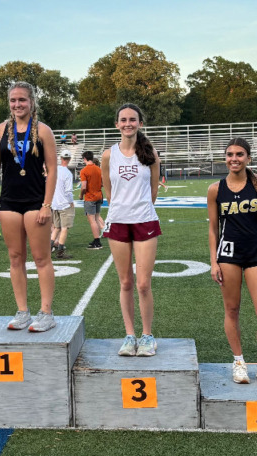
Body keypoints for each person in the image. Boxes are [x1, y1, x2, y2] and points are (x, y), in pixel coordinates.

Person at [207, 138, 257, 385]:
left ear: (248, 157)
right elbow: (213, 228)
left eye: (239, 154)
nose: (233, 159)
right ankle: (238, 362)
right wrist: (213, 261)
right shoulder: (215, 189)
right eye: (229, 154)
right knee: (232, 310)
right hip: (228, 255)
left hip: (256, 254)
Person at [0, 81, 58, 332]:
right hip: (9, 203)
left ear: (31, 102)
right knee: (15, 258)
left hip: (36, 201)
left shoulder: (43, 130)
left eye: (22, 100)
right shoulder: (0, 130)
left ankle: (46, 312)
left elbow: (52, 170)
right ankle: (22, 312)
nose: (17, 104)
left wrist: (47, 205)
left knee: (41, 258)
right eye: (13, 100)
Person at [100, 104, 162, 357]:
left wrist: (137, 208)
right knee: (125, 282)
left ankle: (147, 336)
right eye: (123, 120)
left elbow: (153, 192)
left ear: (140, 123)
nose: (128, 123)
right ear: (117, 124)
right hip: (118, 222)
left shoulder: (151, 153)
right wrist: (121, 209)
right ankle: (129, 335)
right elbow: (108, 191)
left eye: (133, 119)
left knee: (143, 284)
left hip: (145, 220)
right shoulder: (108, 155)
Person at [50, 150, 75, 259]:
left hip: (54, 203)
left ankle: (49, 248)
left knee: (56, 228)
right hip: (64, 204)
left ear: (61, 158)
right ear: (69, 159)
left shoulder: (55, 170)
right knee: (64, 228)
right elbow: (68, 191)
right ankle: (60, 252)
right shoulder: (68, 173)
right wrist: (71, 202)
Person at [79, 151, 105, 250]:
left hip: (90, 197)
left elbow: (84, 186)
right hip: (99, 195)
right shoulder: (99, 169)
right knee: (97, 218)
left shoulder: (84, 170)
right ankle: (97, 239)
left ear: (85, 158)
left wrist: (81, 195)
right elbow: (102, 183)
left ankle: (97, 241)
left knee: (92, 220)